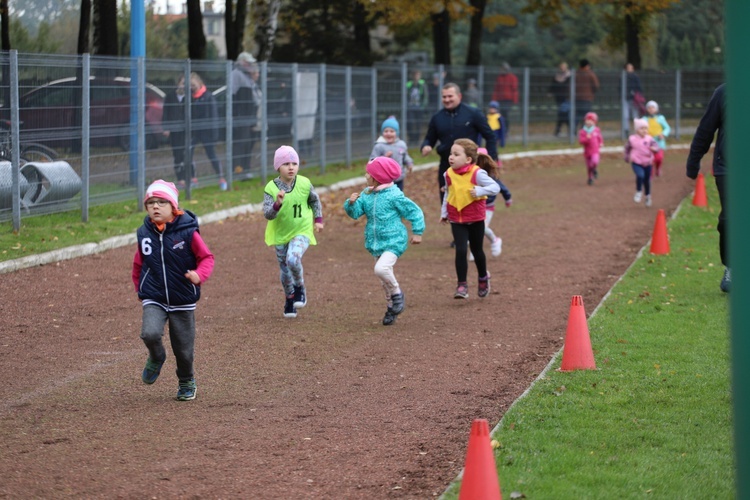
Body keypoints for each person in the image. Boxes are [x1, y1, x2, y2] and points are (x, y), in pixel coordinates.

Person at [132, 179, 215, 401]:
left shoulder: (188, 233)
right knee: (149, 333)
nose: (155, 207)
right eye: (151, 203)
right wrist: (140, 288)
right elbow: (139, 264)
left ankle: (186, 380)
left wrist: (199, 275)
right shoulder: (144, 233)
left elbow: (206, 257)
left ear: (174, 207)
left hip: (182, 298)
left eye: (161, 202)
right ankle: (157, 356)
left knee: (184, 350)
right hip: (154, 296)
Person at [344, 156, 425, 326]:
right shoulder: (366, 194)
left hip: (394, 240)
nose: (366, 176)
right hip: (376, 242)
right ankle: (391, 308)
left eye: (369, 173)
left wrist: (417, 232)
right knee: (383, 279)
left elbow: (414, 211)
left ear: (378, 176)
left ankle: (397, 295)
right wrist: (351, 204)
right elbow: (356, 213)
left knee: (381, 269)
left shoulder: (394, 195)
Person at [263, 145, 324, 318]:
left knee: (293, 259)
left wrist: (318, 220)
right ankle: (290, 298)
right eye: (286, 164)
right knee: (284, 269)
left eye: (294, 163)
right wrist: (277, 204)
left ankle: (300, 288)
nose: (291, 167)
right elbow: (268, 215)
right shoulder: (271, 188)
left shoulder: (304, 183)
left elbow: (315, 201)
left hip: (302, 230)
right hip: (281, 233)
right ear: (278, 167)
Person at [441, 138, 500, 299]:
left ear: (468, 159)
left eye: (456, 154)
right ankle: (462, 285)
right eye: (451, 154)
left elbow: (495, 187)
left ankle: (483, 277)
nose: (451, 157)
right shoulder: (448, 174)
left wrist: (480, 191)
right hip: (456, 218)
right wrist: (444, 213)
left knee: (477, 250)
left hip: (475, 218)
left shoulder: (477, 173)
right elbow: (448, 193)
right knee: (460, 250)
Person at [421, 82, 498, 208]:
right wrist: (426, 146)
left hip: (470, 167)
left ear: (459, 96)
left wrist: (490, 159)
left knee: (471, 205)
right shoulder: (437, 118)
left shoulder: (473, 113)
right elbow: (429, 138)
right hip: (446, 167)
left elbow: (490, 136)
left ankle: (478, 227)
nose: (447, 100)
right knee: (450, 205)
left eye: (450, 96)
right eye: (444, 97)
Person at [686, 83, 728, 292]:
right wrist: (693, 162)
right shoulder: (723, 93)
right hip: (728, 168)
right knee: (730, 219)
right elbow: (706, 129)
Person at [468, 146, 511, 262]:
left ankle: (495, 240)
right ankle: (474, 250)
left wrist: (508, 199)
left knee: (481, 228)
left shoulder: (490, 176)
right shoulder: (469, 173)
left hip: (487, 207)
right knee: (472, 229)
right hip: (473, 206)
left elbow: (501, 188)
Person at [189, 72, 226, 190]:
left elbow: (214, 116)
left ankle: (221, 178)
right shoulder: (189, 97)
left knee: (211, 154)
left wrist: (214, 133)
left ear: (200, 83)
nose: (192, 87)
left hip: (207, 132)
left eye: (193, 84)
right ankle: (192, 178)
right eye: (190, 85)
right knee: (188, 153)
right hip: (194, 131)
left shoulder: (209, 96)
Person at [230, 52, 262, 178]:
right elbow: (233, 97)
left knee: (248, 143)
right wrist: (236, 116)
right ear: (242, 62)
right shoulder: (236, 75)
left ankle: (245, 169)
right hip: (241, 117)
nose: (250, 65)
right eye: (248, 62)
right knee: (240, 144)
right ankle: (238, 170)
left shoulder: (247, 77)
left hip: (249, 117)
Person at [370, 116, 414, 191]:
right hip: (383, 181)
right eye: (386, 131)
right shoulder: (379, 146)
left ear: (397, 133)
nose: (389, 133)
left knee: (397, 197)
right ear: (382, 132)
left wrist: (409, 163)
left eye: (392, 131)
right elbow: (372, 161)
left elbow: (405, 156)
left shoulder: (401, 144)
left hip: (399, 178)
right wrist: (383, 158)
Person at [624, 118, 660, 207]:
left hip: (648, 163)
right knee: (640, 175)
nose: (644, 130)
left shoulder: (649, 139)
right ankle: (638, 191)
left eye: (646, 128)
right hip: (636, 162)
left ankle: (648, 196)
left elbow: (656, 146)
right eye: (642, 128)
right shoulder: (632, 139)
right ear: (637, 130)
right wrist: (626, 156)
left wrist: (654, 149)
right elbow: (627, 148)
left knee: (647, 180)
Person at [161, 75, 188, 188]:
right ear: (178, 84)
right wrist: (166, 127)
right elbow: (166, 112)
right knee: (177, 155)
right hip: (175, 130)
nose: (184, 86)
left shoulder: (190, 96)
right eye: (182, 83)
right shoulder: (170, 96)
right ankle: (180, 179)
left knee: (187, 154)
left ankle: (189, 177)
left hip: (187, 131)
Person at [644, 100, 671, 177]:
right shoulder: (644, 119)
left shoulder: (661, 118)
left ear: (657, 109)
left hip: (659, 142)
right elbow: (640, 128)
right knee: (650, 160)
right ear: (646, 109)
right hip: (648, 143)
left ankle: (658, 168)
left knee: (659, 158)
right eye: (649, 107)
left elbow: (667, 128)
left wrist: (663, 134)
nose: (651, 109)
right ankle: (650, 174)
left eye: (653, 107)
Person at [491, 62, 518, 134]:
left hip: (508, 100)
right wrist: (494, 99)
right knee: (499, 115)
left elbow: (514, 89)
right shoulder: (499, 78)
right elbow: (496, 89)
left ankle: (506, 130)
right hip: (500, 99)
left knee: (505, 115)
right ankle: (500, 130)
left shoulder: (512, 77)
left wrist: (514, 100)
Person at [578, 111, 604, 186]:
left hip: (595, 150)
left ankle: (594, 170)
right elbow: (581, 141)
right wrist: (587, 139)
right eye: (587, 120)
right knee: (589, 166)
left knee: (595, 161)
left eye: (591, 120)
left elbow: (599, 137)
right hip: (587, 152)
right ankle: (590, 178)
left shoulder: (596, 130)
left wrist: (601, 142)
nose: (589, 122)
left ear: (595, 122)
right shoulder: (583, 132)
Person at [574, 59, 600, 130]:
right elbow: (596, 85)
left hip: (577, 98)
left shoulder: (575, 74)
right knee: (586, 115)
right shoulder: (590, 74)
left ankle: (573, 130)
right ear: (587, 66)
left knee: (577, 114)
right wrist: (592, 92)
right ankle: (584, 130)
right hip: (587, 98)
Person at [406, 70, 429, 145]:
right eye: (415, 75)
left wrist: (423, 106)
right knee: (410, 123)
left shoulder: (422, 84)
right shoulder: (409, 84)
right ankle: (411, 138)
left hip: (419, 107)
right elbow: (405, 94)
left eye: (418, 75)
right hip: (410, 107)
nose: (416, 76)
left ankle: (417, 139)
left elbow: (425, 96)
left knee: (418, 124)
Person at [549, 62, 571, 137]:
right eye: (561, 67)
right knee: (563, 114)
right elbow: (553, 85)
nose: (562, 68)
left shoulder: (569, 76)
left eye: (564, 67)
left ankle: (558, 130)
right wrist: (550, 92)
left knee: (563, 114)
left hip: (566, 98)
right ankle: (568, 130)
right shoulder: (557, 76)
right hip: (558, 98)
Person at [621, 62, 645, 132]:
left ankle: (636, 129)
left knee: (635, 115)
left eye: (631, 68)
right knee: (625, 116)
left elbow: (639, 88)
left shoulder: (635, 77)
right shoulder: (623, 77)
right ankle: (626, 130)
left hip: (634, 99)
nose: (629, 69)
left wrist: (638, 95)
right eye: (628, 68)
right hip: (625, 98)